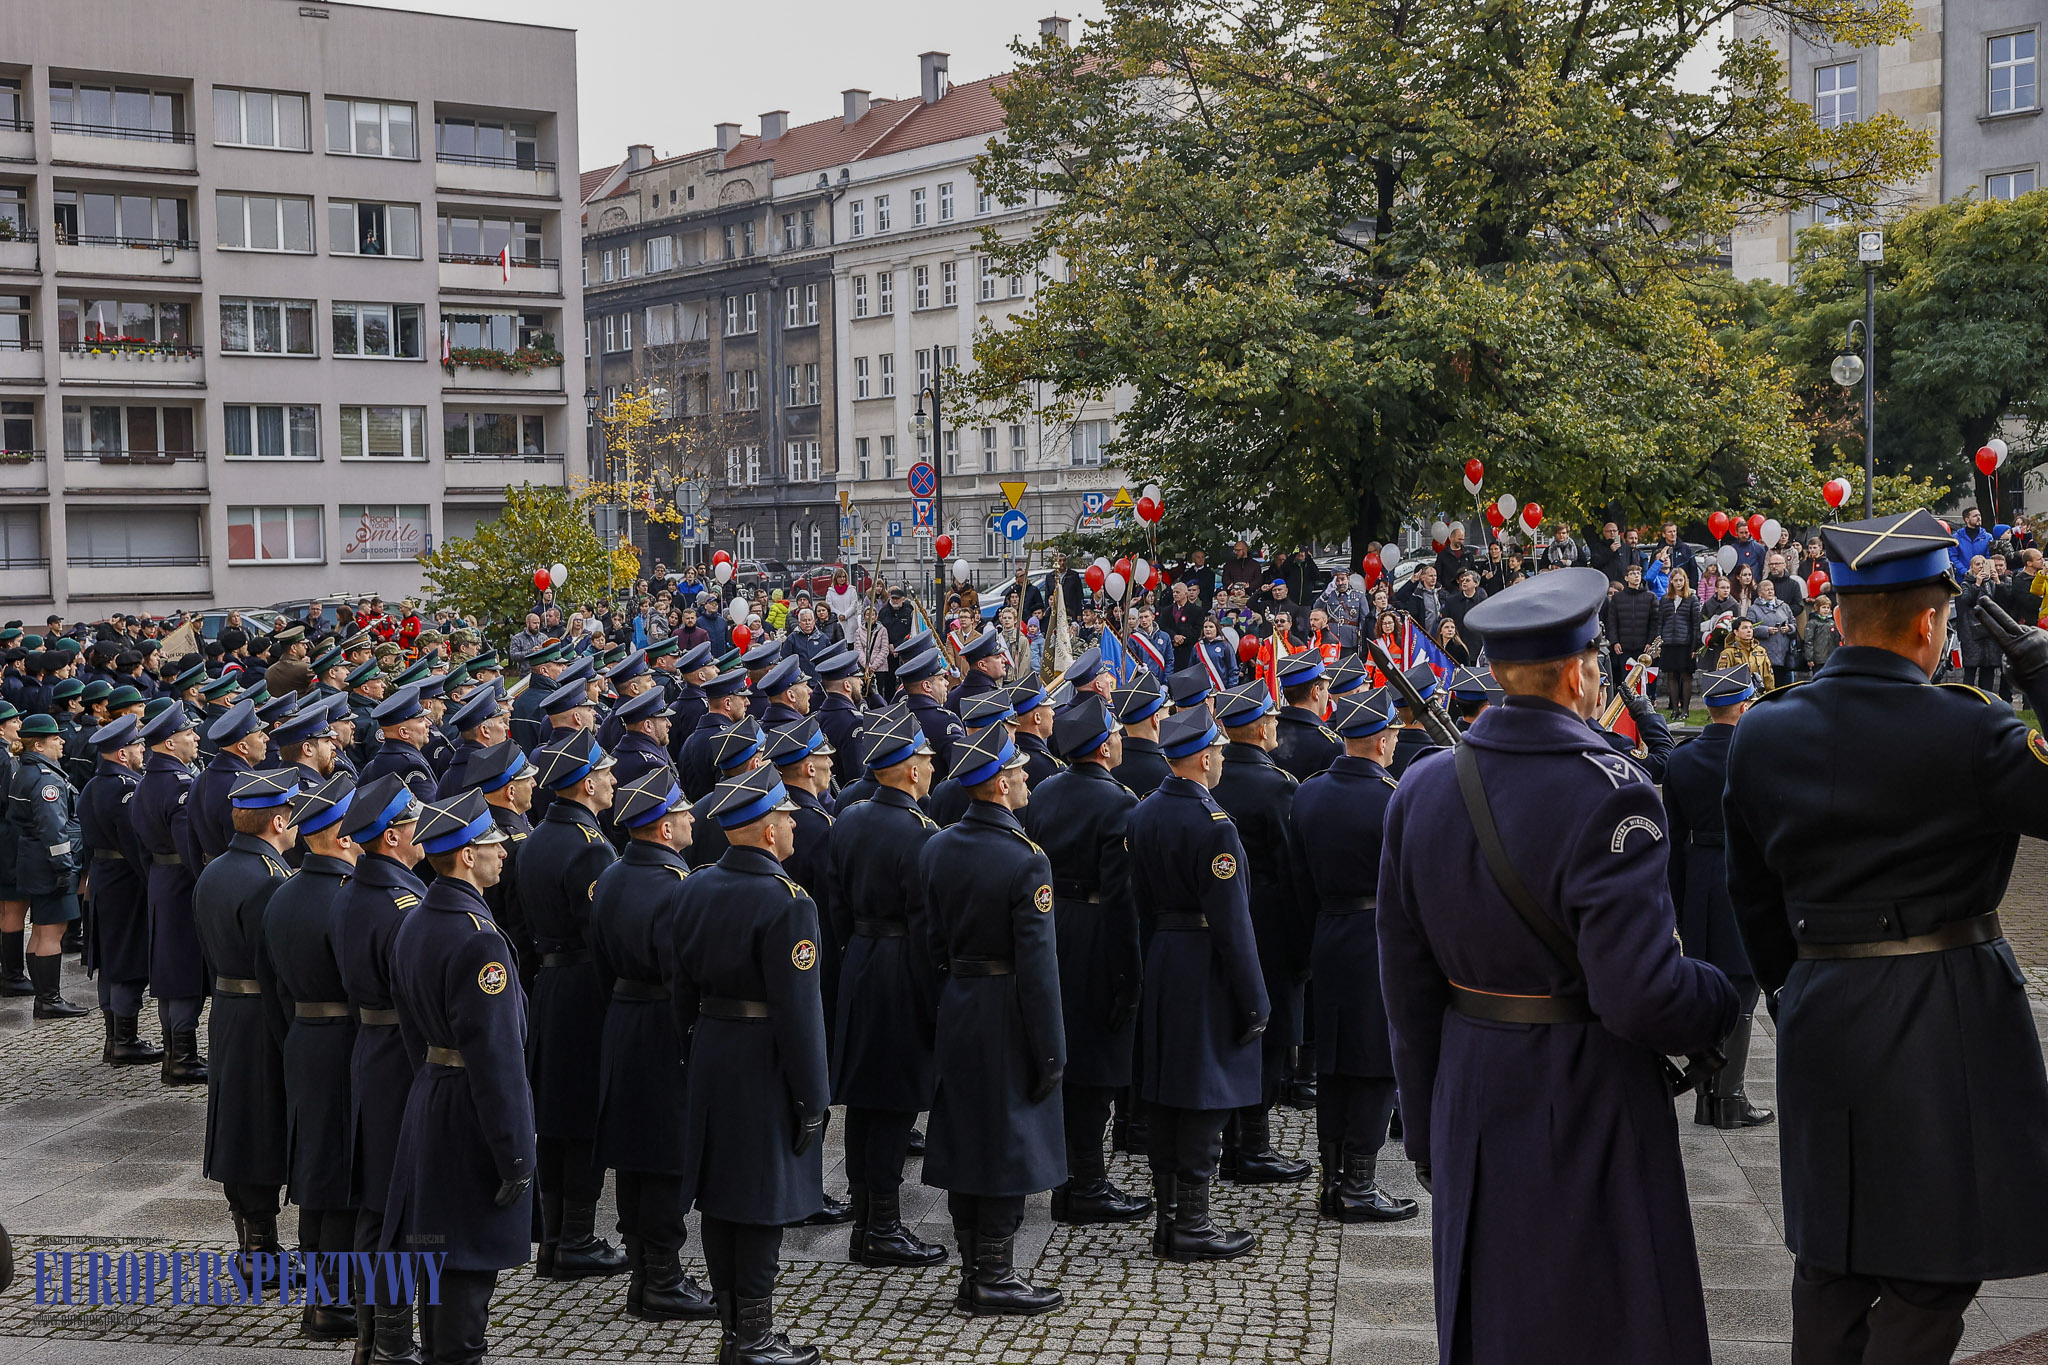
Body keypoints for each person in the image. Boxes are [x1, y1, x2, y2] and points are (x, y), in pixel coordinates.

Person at [1379, 568, 1738, 1364]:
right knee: (1610, 1325)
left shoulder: (1419, 789)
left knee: (1493, 1328)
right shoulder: (1615, 792)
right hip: (1586, 1093)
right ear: (1580, 672)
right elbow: (1640, 994)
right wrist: (1717, 999)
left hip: (1471, 1086)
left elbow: (1404, 990)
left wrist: (1429, 1125)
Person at [1729, 510, 2048, 1363]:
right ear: (1929, 622)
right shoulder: (1974, 729)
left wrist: (1791, 990)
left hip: (1821, 1004)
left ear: (1837, 617)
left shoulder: (1762, 730)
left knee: (1830, 1264)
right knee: (1934, 1268)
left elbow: (1751, 895)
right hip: (1945, 1017)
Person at [670, 765, 829, 1365]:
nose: (793, 823)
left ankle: (735, 1329)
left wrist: (695, 1050)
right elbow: (799, 1013)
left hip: (712, 1046)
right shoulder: (788, 903)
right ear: (766, 831)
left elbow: (678, 990)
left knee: (719, 1195)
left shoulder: (693, 886)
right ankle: (754, 1337)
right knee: (760, 1198)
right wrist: (812, 1098)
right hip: (763, 1056)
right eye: (785, 814)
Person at [917, 723, 1066, 1316]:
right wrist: (1052, 1051)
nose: (1028, 776)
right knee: (1005, 1138)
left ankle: (974, 1267)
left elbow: (931, 943)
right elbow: (1039, 968)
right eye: (1020, 770)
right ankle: (995, 1275)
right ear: (1001, 784)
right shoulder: (1027, 862)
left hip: (960, 999)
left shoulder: (937, 847)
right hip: (1007, 1006)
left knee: (966, 1131)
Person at [382, 790, 533, 1365]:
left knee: (438, 1260)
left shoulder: (417, 918)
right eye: (493, 843)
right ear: (467, 855)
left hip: (432, 1096)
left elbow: (412, 1035)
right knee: (465, 1276)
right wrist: (516, 1155)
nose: (502, 852)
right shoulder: (478, 938)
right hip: (470, 1114)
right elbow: (498, 1062)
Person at [1126, 706, 1264, 1261]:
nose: (1224, 758)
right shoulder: (1215, 826)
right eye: (1221, 751)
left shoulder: (1144, 813)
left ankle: (1168, 1219)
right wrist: (1255, 1000)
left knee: (1164, 1090)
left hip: (1162, 957)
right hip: (1204, 962)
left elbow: (1136, 903)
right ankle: (1193, 1224)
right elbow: (1233, 923)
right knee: (1204, 1094)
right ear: (1204, 757)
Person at [587, 770, 715, 1322]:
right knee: (666, 1155)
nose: (692, 818)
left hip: (623, 1020)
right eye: (683, 811)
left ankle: (644, 1275)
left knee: (635, 1155)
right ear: (663, 827)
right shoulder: (676, 886)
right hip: (665, 1027)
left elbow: (599, 963)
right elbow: (683, 976)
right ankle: (661, 1279)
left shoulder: (612, 876)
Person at [1290, 689, 1418, 1223]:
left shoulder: (1309, 794)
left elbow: (1299, 880)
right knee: (1374, 1062)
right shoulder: (1393, 798)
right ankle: (1358, 1186)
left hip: (1327, 930)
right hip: (1377, 937)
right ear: (1383, 738)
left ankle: (1331, 1178)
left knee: (1334, 1061)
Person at [826, 708, 947, 1268]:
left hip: (861, 961)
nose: (930, 764)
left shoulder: (847, 818)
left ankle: (865, 1216)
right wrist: (933, 1002)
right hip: (901, 968)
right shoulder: (922, 834)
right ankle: (884, 1225)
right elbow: (928, 930)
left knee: (865, 1101)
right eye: (923, 757)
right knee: (895, 1102)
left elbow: (836, 909)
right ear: (907, 770)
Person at [1025, 693, 1149, 1227]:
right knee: (1097, 1065)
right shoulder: (1120, 803)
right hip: (1098, 933)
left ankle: (1072, 1176)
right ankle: (1087, 1183)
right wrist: (1131, 978)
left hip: (1053, 926)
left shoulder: (1045, 790)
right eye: (1115, 733)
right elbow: (1121, 899)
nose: (1121, 739)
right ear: (1102, 748)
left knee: (1064, 1052)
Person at [518, 728, 629, 1281]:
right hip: (584, 989)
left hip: (549, 985)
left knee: (555, 1119)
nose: (613, 779)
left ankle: (556, 1237)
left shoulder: (536, 837)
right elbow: (603, 933)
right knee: (581, 1116)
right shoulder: (589, 846)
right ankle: (577, 1239)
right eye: (605, 773)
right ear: (586, 784)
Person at [259, 772, 364, 1340]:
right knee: (347, 1174)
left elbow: (271, 988)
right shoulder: (348, 899)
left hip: (302, 1038)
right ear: (343, 834)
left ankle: (321, 1298)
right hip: (348, 1042)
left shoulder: (282, 893)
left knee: (313, 1172)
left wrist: (296, 1036)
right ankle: (338, 1303)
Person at [191, 768, 299, 1294]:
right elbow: (276, 963)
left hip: (229, 1009)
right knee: (260, 1125)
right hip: (262, 1015)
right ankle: (261, 1250)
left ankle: (253, 1244)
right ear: (279, 821)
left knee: (237, 1120)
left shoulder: (215, 870)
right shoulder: (272, 879)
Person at [1660, 665, 1773, 1132]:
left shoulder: (1681, 759)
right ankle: (1729, 1098)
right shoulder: (1760, 755)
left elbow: (1671, 836)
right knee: (1743, 991)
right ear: (1744, 706)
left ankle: (1708, 1096)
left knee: (1706, 989)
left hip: (1699, 876)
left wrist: (1677, 898)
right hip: (1747, 875)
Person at [79, 716, 163, 1064]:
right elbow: (136, 845)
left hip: (103, 876)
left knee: (109, 959)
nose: (142, 749)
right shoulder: (125, 789)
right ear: (122, 753)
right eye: (137, 745)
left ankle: (114, 1037)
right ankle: (125, 1039)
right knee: (126, 959)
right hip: (126, 882)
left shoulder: (93, 786)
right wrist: (152, 882)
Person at [133, 704, 209, 1084]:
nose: (196, 738)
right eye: (188, 733)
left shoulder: (146, 781)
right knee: (182, 970)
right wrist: (207, 882)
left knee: (170, 967)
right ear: (169, 742)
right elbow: (191, 847)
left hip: (162, 879)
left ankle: (174, 1052)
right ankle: (182, 1058)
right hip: (182, 883)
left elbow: (140, 848)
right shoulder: (180, 785)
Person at [1270, 652, 1341, 782]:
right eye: (1325, 689)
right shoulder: (1331, 744)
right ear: (1316, 692)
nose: (1328, 696)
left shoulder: (1268, 733)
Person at [1658, 569, 1703, 717]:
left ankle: (1685, 710)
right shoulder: (1665, 599)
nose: (1678, 583)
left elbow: (1696, 624)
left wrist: (1694, 646)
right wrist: (1660, 640)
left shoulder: (1692, 599)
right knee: (1671, 675)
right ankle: (1675, 709)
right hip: (1669, 642)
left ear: (1685, 581)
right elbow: (1661, 622)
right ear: (1671, 581)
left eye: (1681, 580)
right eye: (1675, 580)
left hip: (1685, 643)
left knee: (1686, 675)